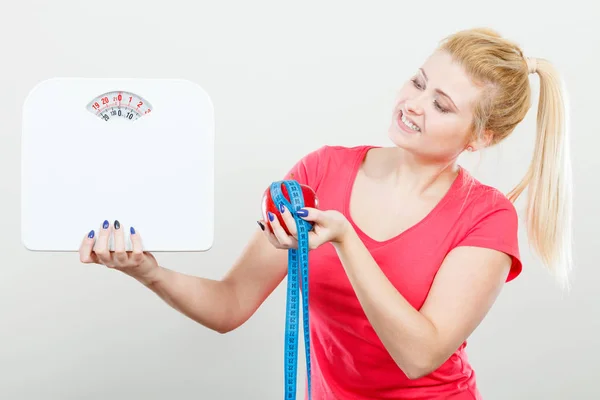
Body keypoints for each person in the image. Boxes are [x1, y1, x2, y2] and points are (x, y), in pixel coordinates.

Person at [78, 27, 573, 399]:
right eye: (417, 82)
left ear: (481, 136)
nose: (413, 104)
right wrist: (148, 271)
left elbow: (420, 355)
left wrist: (346, 241)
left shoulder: (486, 217)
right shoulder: (321, 171)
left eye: (442, 105)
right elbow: (229, 305)